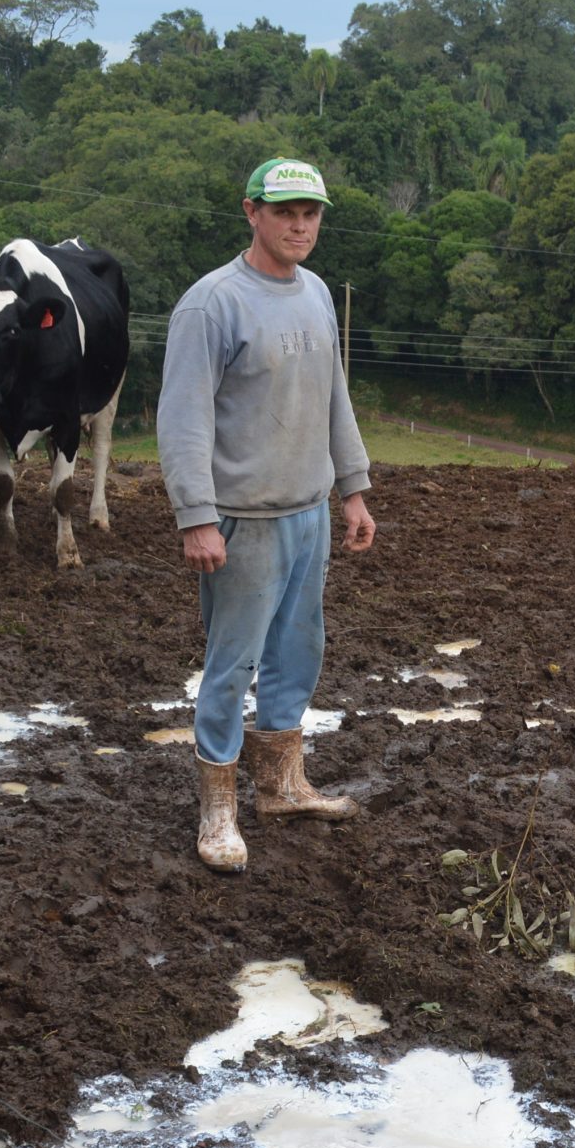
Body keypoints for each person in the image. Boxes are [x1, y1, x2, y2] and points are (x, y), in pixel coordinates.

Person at [157, 156, 378, 873]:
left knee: (298, 650)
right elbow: (183, 419)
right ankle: (217, 805)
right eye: (284, 211)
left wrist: (353, 487)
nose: (299, 225)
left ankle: (282, 783)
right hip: (242, 519)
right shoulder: (211, 304)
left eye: (310, 213)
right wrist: (195, 515)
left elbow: (333, 396)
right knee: (232, 662)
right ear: (250, 211)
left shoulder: (315, 294)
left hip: (309, 511)